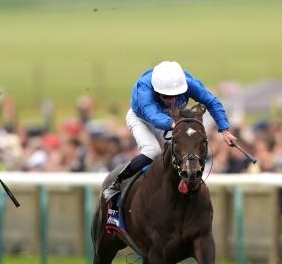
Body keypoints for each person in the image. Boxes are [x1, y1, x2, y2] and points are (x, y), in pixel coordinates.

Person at [102, 61, 238, 201]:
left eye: (176, 95)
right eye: (166, 96)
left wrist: (224, 129)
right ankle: (116, 183)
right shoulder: (144, 87)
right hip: (142, 120)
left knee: (183, 151)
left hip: (173, 120)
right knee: (152, 152)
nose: (172, 100)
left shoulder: (189, 83)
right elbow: (152, 115)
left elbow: (212, 101)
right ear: (156, 90)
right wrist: (174, 123)